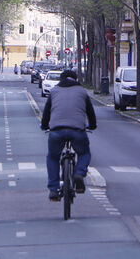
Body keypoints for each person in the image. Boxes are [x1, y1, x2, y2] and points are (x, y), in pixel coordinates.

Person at [41, 70, 96, 201]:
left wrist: (44, 126)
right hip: (77, 130)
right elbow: (90, 112)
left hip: (56, 131)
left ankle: (53, 189)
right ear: (76, 79)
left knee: (53, 157)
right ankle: (79, 173)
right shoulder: (82, 91)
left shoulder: (54, 91)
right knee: (84, 153)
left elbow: (47, 112)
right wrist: (92, 125)